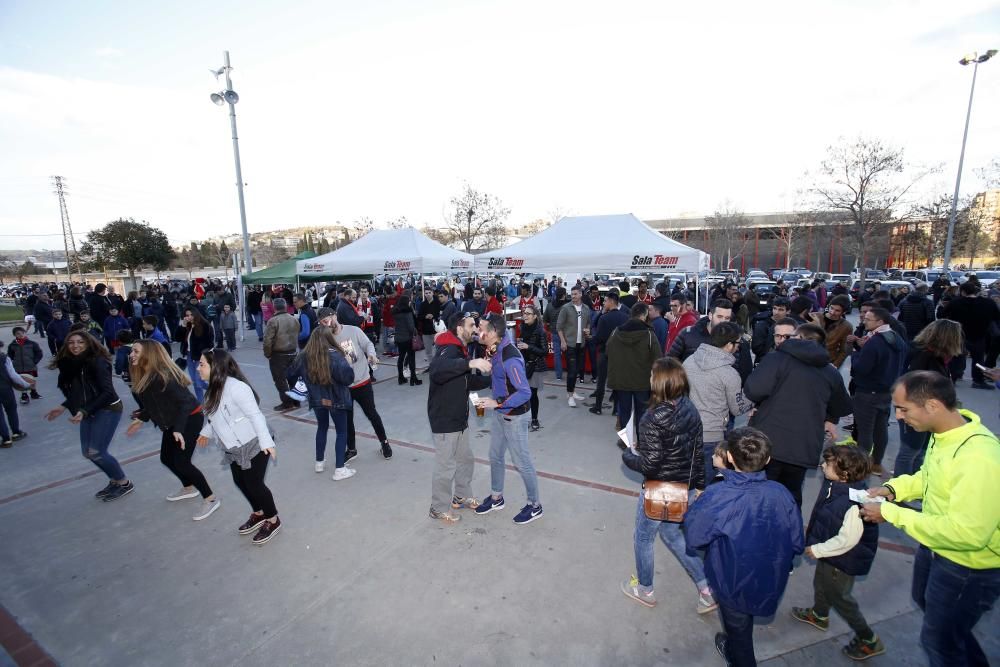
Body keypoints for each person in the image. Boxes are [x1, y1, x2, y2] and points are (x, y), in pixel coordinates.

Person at [862, 371, 1000, 667]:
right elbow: (930, 477)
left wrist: (890, 513)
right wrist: (893, 489)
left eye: (903, 409)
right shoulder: (945, 437)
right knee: (943, 626)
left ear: (933, 406)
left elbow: (968, 534)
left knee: (939, 643)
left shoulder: (979, 458)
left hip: (966, 567)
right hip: (937, 548)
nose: (898, 417)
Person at [684, 427, 804, 667]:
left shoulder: (717, 495)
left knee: (739, 632)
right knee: (742, 623)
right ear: (768, 459)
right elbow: (797, 543)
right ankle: (734, 646)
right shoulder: (781, 493)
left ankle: (738, 655)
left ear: (729, 457)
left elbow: (694, 537)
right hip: (770, 577)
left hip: (732, 579)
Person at [620, 357, 716, 613]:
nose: (650, 379)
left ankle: (645, 589)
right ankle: (707, 589)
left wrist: (629, 454)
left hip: (661, 488)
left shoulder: (651, 418)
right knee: (673, 534)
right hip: (683, 486)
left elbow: (650, 465)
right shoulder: (689, 408)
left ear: (661, 383)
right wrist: (698, 486)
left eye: (653, 376)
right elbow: (697, 450)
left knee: (643, 537)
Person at [743, 321, 852, 508]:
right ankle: (788, 532)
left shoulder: (776, 359)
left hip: (767, 440)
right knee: (790, 496)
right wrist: (829, 418)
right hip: (803, 444)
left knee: (757, 494)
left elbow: (753, 390)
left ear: (800, 338)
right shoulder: (830, 371)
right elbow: (842, 405)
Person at [790, 445, 884, 660]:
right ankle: (819, 614)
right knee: (821, 583)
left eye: (828, 464)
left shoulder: (854, 503)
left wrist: (818, 549)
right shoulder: (836, 485)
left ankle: (868, 638)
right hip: (831, 554)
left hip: (843, 559)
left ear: (845, 474)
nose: (822, 465)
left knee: (840, 597)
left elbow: (848, 540)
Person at [126, 340, 220, 520]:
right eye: (132, 352)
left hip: (189, 419)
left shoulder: (164, 376)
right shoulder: (146, 374)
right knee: (167, 458)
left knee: (182, 462)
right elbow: (156, 404)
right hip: (173, 422)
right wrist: (141, 419)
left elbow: (185, 403)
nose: (132, 355)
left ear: (149, 354)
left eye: (136, 352)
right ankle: (188, 487)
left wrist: (178, 429)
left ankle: (210, 498)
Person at [195, 349, 281, 545]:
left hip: (254, 443)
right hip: (233, 447)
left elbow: (256, 416)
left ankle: (272, 519)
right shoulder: (212, 389)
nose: (198, 368)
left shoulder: (237, 388)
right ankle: (258, 513)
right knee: (240, 481)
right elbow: (215, 417)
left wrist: (267, 442)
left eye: (202, 364)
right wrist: (206, 432)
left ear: (215, 367)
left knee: (254, 483)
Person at [45, 331, 133, 501]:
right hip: (88, 409)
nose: (75, 346)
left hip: (107, 408)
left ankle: (124, 482)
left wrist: (84, 411)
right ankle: (115, 480)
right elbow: (79, 391)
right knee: (88, 452)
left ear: (89, 344)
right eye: (71, 342)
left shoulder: (98, 362)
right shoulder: (69, 363)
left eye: (80, 342)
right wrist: (64, 406)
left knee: (97, 451)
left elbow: (107, 393)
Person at [473, 313, 542, 525]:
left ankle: (535, 505)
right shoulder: (494, 348)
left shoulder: (509, 357)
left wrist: (498, 402)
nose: (478, 330)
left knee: (523, 463)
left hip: (515, 416)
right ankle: (497, 497)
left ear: (494, 332)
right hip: (500, 414)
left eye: (482, 327)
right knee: (495, 456)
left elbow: (524, 391)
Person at [426, 313, 493, 522]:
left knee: (465, 459)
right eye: (471, 325)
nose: (475, 329)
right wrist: (471, 363)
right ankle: (438, 507)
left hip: (459, 418)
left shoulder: (460, 349)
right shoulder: (448, 348)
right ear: (458, 327)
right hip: (445, 419)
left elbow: (465, 382)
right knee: (446, 466)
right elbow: (437, 371)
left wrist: (491, 379)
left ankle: (461, 496)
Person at [317, 307, 392, 461]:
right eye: (323, 323)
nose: (327, 324)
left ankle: (384, 442)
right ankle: (351, 449)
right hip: (343, 387)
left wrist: (371, 355)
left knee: (372, 414)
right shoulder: (325, 338)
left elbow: (368, 344)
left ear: (335, 316)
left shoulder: (353, 330)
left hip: (362, 381)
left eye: (327, 320)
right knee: (347, 419)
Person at [894, 319, 963, 476]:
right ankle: (898, 493)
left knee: (921, 451)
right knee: (910, 451)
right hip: (916, 410)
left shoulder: (936, 356)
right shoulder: (924, 356)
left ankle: (915, 487)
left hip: (926, 410)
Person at [684, 322, 751, 483]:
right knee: (705, 485)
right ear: (729, 345)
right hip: (711, 436)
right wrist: (752, 399)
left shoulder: (689, 361)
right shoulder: (729, 374)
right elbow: (737, 408)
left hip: (685, 430)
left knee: (685, 480)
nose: (738, 348)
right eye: (738, 343)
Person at [287, 326, 356, 479]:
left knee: (322, 427)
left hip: (317, 399)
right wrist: (349, 364)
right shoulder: (336, 356)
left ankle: (319, 462)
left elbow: (290, 373)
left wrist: (304, 383)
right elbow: (347, 378)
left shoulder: (304, 356)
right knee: (342, 432)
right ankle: (339, 469)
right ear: (329, 339)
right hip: (337, 399)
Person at [850, 306, 908, 476]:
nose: (863, 321)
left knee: (865, 431)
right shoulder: (896, 338)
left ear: (880, 322)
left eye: (868, 319)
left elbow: (862, 368)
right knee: (880, 429)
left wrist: (855, 354)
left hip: (868, 391)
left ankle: (861, 466)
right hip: (886, 391)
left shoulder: (875, 341)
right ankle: (876, 463)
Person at [668, 298, 753, 384]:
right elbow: (670, 360)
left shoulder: (737, 341)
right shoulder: (688, 334)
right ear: (710, 316)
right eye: (719, 317)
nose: (723, 322)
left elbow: (745, 373)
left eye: (727, 318)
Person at [606, 303, 662, 432]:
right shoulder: (649, 334)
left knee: (624, 412)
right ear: (644, 315)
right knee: (642, 412)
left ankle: (626, 442)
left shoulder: (616, 332)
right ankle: (642, 442)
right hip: (642, 382)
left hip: (621, 381)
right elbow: (658, 358)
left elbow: (608, 351)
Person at [941, 280, 1000, 389]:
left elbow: (943, 315)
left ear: (962, 292)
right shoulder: (988, 303)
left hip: (959, 333)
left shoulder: (956, 302)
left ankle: (951, 379)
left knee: (955, 357)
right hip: (980, 334)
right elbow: (996, 317)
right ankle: (978, 380)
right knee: (978, 359)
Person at [590, 292, 629, 416]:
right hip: (620, 354)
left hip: (604, 353)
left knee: (601, 381)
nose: (603, 303)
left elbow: (600, 337)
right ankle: (616, 409)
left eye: (605, 301)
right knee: (617, 382)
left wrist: (591, 338)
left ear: (612, 302)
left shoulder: (604, 318)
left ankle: (598, 407)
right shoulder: (625, 317)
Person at [556, 285, 592, 408]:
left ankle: (572, 391)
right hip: (569, 344)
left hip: (581, 344)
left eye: (575, 294)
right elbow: (559, 327)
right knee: (571, 372)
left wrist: (588, 330)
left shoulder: (586, 308)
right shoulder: (566, 308)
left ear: (581, 294)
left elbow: (588, 323)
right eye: (572, 294)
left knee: (577, 370)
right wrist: (563, 341)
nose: (573, 296)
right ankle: (570, 396)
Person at [262, 298, 301, 411]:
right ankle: (296, 401)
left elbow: (267, 340)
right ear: (285, 306)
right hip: (293, 352)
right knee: (293, 378)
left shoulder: (273, 321)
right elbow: (297, 334)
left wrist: (267, 354)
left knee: (280, 380)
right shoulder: (294, 319)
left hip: (278, 354)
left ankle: (287, 402)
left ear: (274, 307)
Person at [516, 304, 548, 431]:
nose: (525, 315)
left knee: (532, 393)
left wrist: (528, 347)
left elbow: (544, 351)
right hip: (523, 364)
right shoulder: (522, 327)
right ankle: (523, 417)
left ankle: (534, 419)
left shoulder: (541, 331)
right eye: (524, 313)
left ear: (535, 316)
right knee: (523, 393)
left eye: (528, 313)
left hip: (535, 365)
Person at [177, 307, 215, 403]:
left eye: (191, 315)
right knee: (195, 382)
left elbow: (210, 343)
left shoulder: (205, 325)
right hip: (189, 356)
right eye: (187, 315)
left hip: (200, 357)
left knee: (199, 382)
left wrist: (203, 355)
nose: (189, 317)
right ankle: (201, 404)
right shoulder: (188, 325)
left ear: (196, 314)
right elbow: (177, 338)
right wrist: (182, 326)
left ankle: (217, 389)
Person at [0, 341, 33, 446]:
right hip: (5, 389)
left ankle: (6, 439)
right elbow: (13, 375)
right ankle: (16, 432)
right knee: (11, 410)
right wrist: (26, 384)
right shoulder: (4, 358)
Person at [808, 295, 852, 368]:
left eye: (837, 310)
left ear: (844, 312)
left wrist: (835, 365)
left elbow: (843, 351)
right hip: (808, 358)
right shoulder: (814, 316)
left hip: (828, 361)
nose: (832, 312)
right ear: (828, 305)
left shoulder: (846, 326)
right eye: (831, 308)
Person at [392, 295, 421, 387]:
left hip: (398, 337)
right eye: (409, 301)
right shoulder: (407, 312)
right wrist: (416, 332)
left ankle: (400, 377)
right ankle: (413, 378)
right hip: (407, 338)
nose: (410, 302)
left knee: (401, 357)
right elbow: (410, 326)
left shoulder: (396, 312)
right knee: (411, 357)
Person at [9, 327, 43, 404]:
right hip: (18, 367)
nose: (21, 335)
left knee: (32, 380)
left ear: (25, 333)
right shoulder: (12, 345)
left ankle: (34, 393)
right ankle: (24, 395)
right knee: (22, 381)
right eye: (18, 333)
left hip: (30, 366)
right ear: (14, 335)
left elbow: (39, 353)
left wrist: (34, 361)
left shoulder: (32, 343)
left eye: (22, 333)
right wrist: (14, 362)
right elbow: (10, 355)